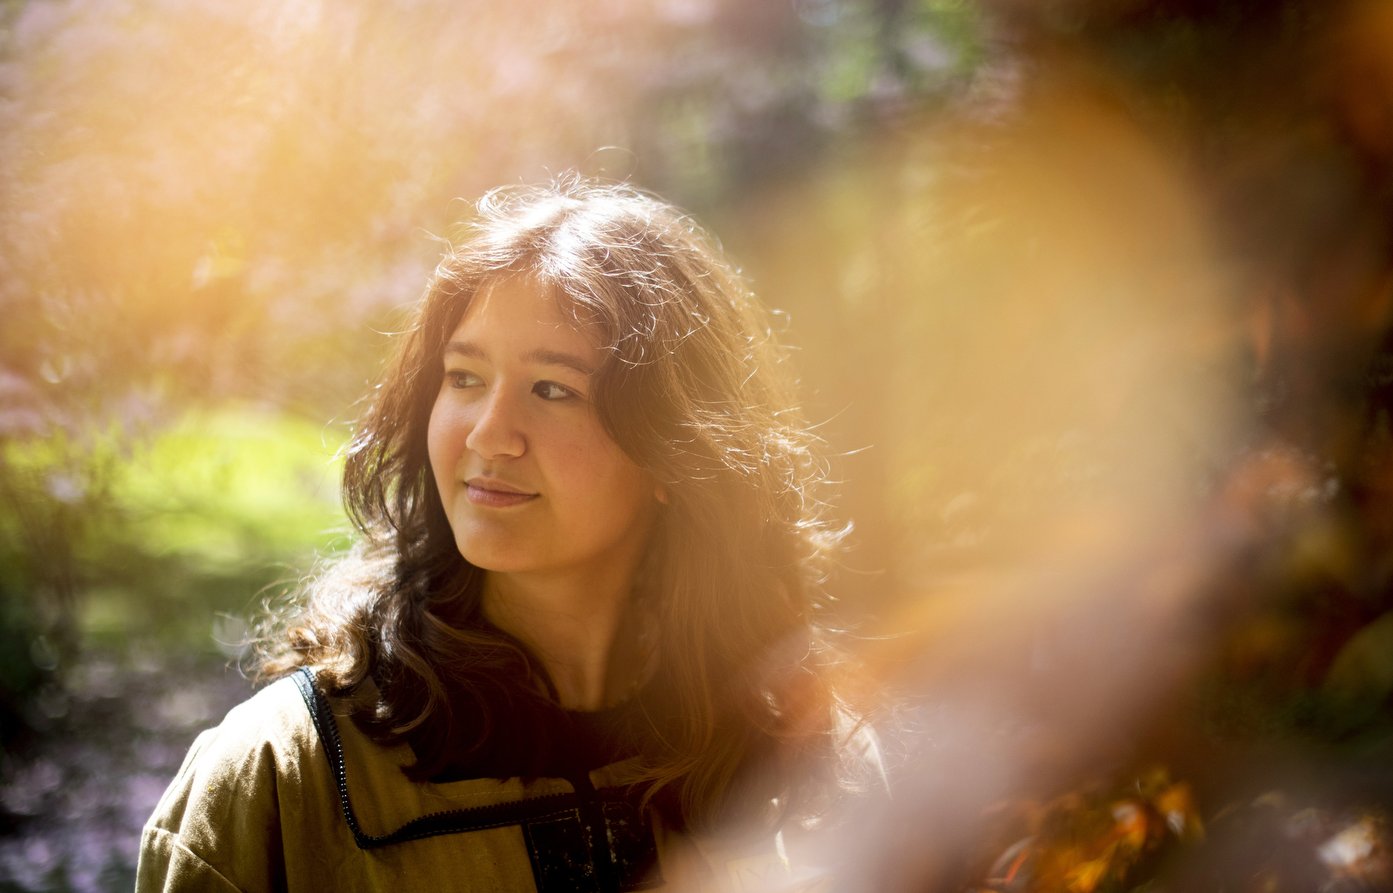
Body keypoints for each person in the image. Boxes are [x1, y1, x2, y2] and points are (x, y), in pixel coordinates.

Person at [138, 177, 860, 892]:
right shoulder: (280, 780)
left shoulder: (803, 754)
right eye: (464, 377)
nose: (490, 434)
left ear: (675, 450)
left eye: (553, 390)